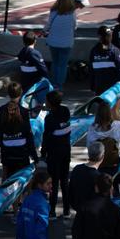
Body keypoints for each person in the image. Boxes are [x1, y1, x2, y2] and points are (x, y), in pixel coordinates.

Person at [0, 82, 36, 180]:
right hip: (22, 152)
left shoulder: (1, 109)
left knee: (5, 176)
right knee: (24, 178)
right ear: (21, 93)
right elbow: (29, 134)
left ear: (8, 94)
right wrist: (34, 155)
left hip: (6, 152)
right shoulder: (24, 111)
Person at [40, 90, 73, 218]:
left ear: (50, 103)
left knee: (53, 182)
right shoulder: (65, 111)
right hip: (66, 151)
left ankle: (52, 211)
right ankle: (66, 210)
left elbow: (47, 137)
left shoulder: (49, 118)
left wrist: (43, 153)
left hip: (54, 153)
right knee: (64, 181)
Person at [85, 100, 120, 174]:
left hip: (98, 166)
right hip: (115, 165)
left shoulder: (92, 129)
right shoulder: (118, 126)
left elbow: (89, 148)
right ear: (110, 113)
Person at [44, 0, 79, 88]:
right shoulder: (72, 13)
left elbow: (48, 24)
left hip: (53, 42)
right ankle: (59, 85)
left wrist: (43, 31)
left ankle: (53, 82)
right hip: (66, 43)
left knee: (55, 62)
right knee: (62, 65)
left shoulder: (53, 12)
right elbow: (74, 26)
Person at [16, 169, 52, 239]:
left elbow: (20, 222)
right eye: (48, 184)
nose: (51, 186)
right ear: (39, 185)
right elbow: (42, 228)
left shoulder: (27, 199)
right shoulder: (42, 203)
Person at [67, 142, 105, 215]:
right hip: (93, 214)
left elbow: (71, 190)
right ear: (102, 157)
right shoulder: (99, 177)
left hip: (78, 209)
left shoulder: (77, 169)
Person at [90, 26, 120, 96]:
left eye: (109, 36)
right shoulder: (115, 51)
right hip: (103, 87)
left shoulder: (114, 51)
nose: (109, 38)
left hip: (111, 87)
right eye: (107, 36)